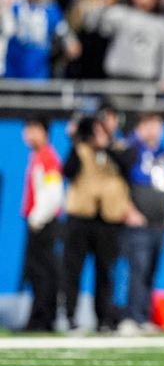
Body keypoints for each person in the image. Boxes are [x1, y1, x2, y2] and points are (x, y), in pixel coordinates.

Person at [62, 114, 134, 332]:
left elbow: (128, 168)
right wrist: (74, 140)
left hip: (107, 219)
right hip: (81, 218)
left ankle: (104, 317)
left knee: (105, 271)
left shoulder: (118, 149)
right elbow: (67, 171)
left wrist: (107, 146)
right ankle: (69, 316)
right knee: (73, 269)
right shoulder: (80, 149)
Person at [116, 112, 164, 336]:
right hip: (138, 221)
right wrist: (129, 210)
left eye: (158, 125)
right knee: (138, 269)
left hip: (159, 222)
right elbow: (119, 182)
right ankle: (131, 317)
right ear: (141, 126)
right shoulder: (131, 150)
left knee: (151, 271)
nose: (155, 130)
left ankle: (143, 316)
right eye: (150, 124)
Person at [20, 116, 63, 332]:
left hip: (43, 223)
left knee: (42, 272)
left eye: (31, 128)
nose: (26, 134)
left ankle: (42, 319)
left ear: (43, 131)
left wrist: (37, 217)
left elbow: (53, 194)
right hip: (41, 220)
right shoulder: (38, 156)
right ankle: (39, 318)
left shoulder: (47, 157)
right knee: (38, 272)